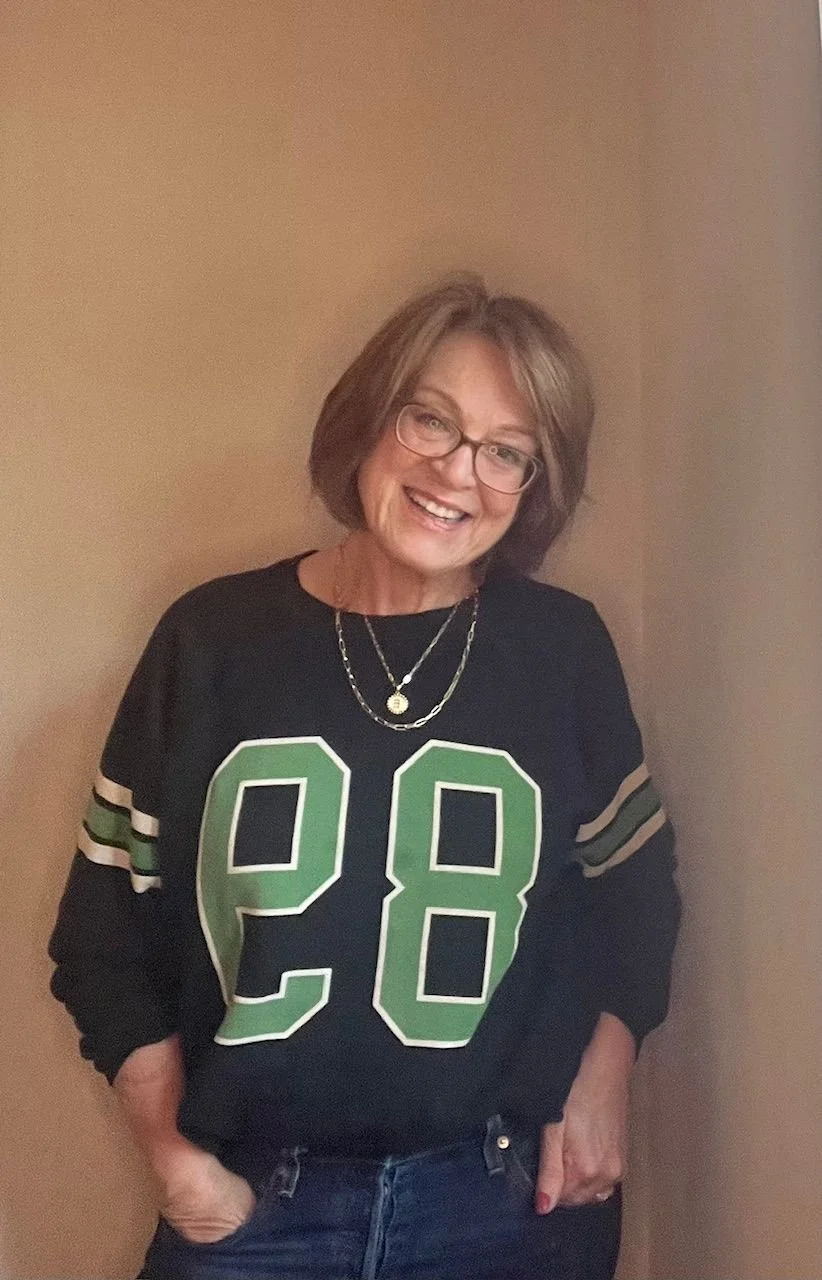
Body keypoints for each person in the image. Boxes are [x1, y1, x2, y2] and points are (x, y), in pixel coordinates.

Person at [49, 275, 680, 1280]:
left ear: (534, 485)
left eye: (506, 451)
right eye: (431, 419)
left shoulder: (561, 651)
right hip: (255, 1212)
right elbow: (102, 929)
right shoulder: (212, 641)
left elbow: (634, 892)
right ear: (370, 417)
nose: (457, 471)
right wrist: (176, 1162)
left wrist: (608, 1073)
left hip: (510, 1207)